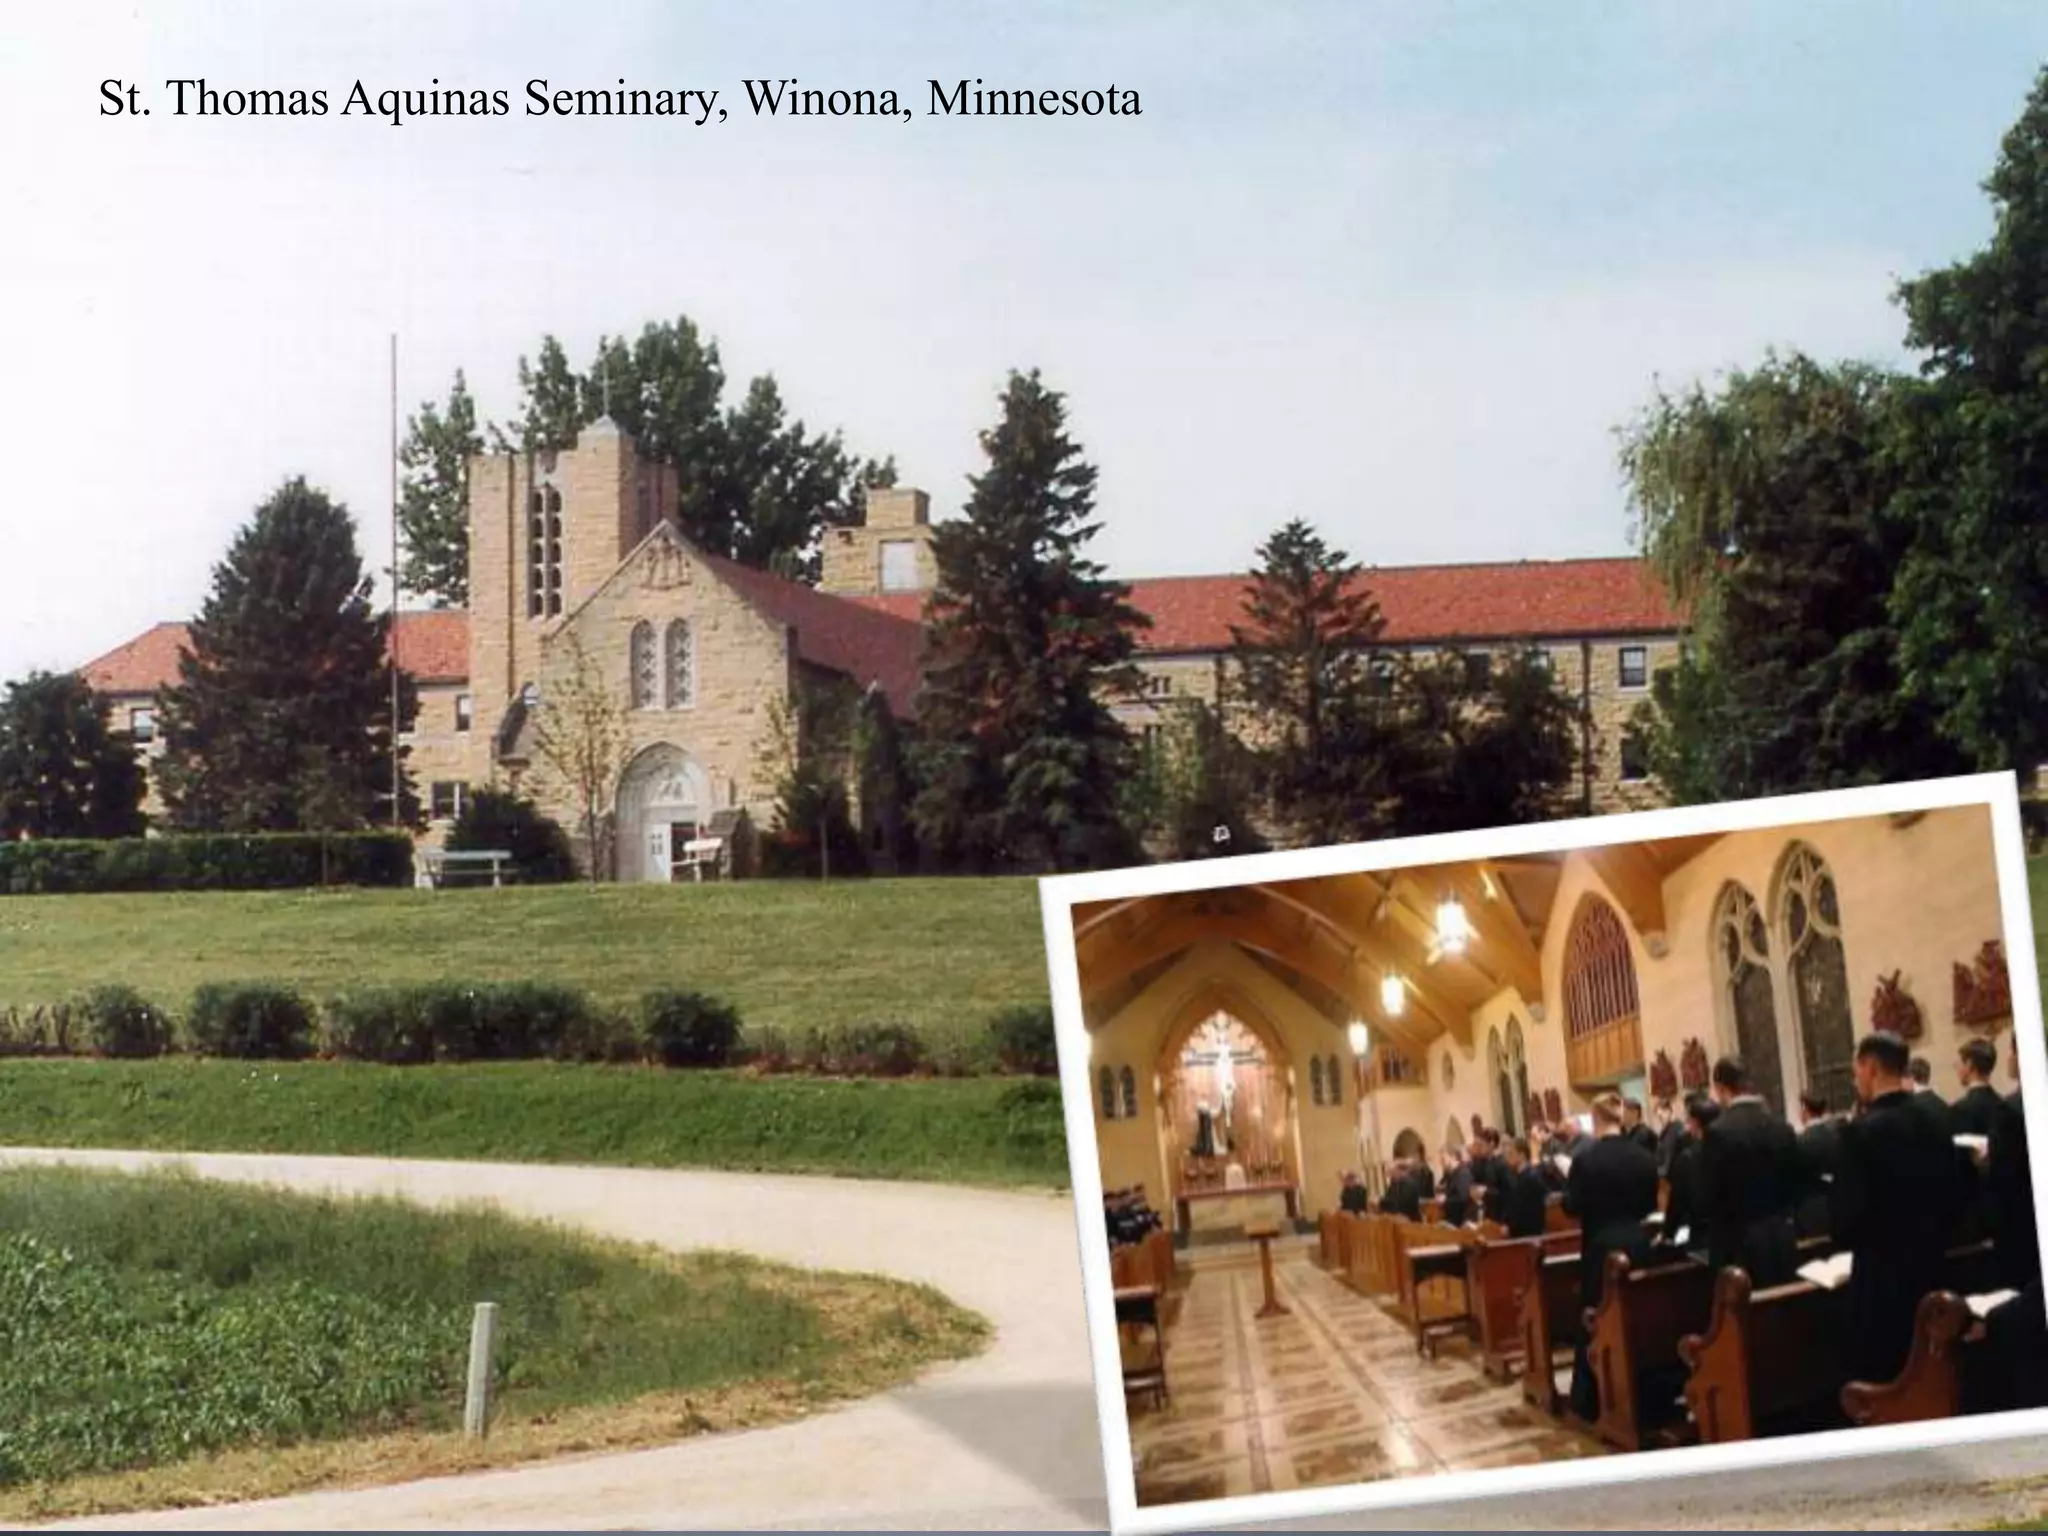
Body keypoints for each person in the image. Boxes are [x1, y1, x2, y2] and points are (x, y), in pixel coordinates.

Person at [1837, 1030, 1968, 1384]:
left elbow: (1849, 1222)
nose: (1856, 1080)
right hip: (1935, 1267)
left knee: (1884, 1377)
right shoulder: (1938, 1119)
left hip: (1883, 1282)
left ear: (1871, 1067)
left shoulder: (1860, 1133)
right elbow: (1958, 1192)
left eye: (1856, 1071)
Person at [1563, 1091, 1659, 1421]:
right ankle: (1643, 1392)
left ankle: (1592, 1398)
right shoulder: (1643, 1156)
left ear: (1595, 1118)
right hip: (1638, 1242)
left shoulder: (1586, 1160)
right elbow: (1649, 1205)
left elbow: (1572, 1206)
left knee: (1595, 1316)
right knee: (1638, 1315)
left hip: (1601, 1245)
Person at [1699, 1055, 1803, 1287]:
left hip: (1739, 1246)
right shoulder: (1782, 1126)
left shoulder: (1718, 1132)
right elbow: (1795, 1184)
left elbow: (1710, 1197)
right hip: (1781, 1240)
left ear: (1720, 1088)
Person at [1659, 1094, 1718, 1257]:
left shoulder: (1689, 1158)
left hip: (1702, 1235)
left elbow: (1678, 1201)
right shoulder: (1731, 1148)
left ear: (1694, 1122)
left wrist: (1667, 1233)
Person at [1793, 1089, 1845, 1242]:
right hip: (1837, 1206)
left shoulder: (1799, 1142)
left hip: (1809, 1213)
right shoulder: (1838, 1135)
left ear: (1804, 1110)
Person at [1952, 1037, 2005, 1138]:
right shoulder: (2003, 1104)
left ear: (1969, 1064)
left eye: (1959, 1063)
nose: (1956, 1067)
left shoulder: (1959, 1110)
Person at [1501, 1134, 1552, 1239]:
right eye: (1507, 1155)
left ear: (1522, 1155)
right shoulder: (1518, 1177)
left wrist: (1511, 1227)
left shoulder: (1531, 1178)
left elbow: (1528, 1212)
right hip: (1519, 1234)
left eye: (1511, 1154)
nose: (1507, 1158)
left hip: (1529, 1236)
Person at [1440, 1146, 1475, 1227]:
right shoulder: (1451, 1174)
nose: (1441, 1162)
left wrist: (1445, 1200)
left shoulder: (1463, 1174)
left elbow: (1462, 1198)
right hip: (1451, 1218)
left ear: (1453, 1157)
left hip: (1460, 1220)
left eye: (1443, 1159)